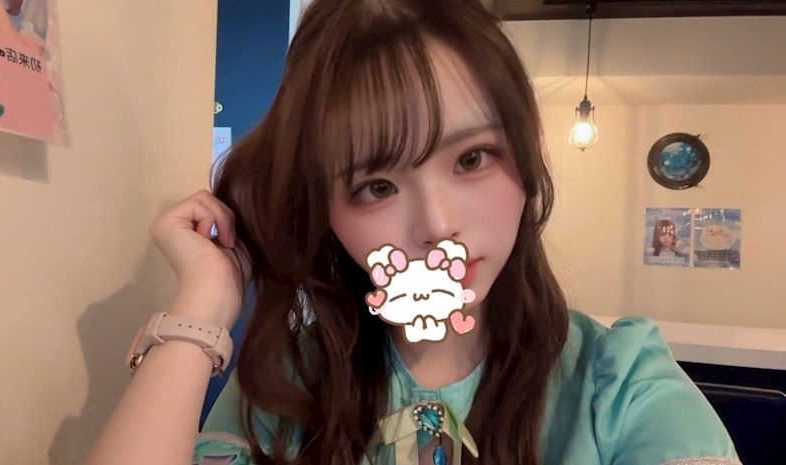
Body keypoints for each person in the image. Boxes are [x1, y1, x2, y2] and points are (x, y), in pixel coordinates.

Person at [87, 1, 741, 464]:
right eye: (377, 186)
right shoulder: (288, 383)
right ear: (327, 212)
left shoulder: (618, 383)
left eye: (472, 158)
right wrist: (204, 302)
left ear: (525, 160)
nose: (438, 225)